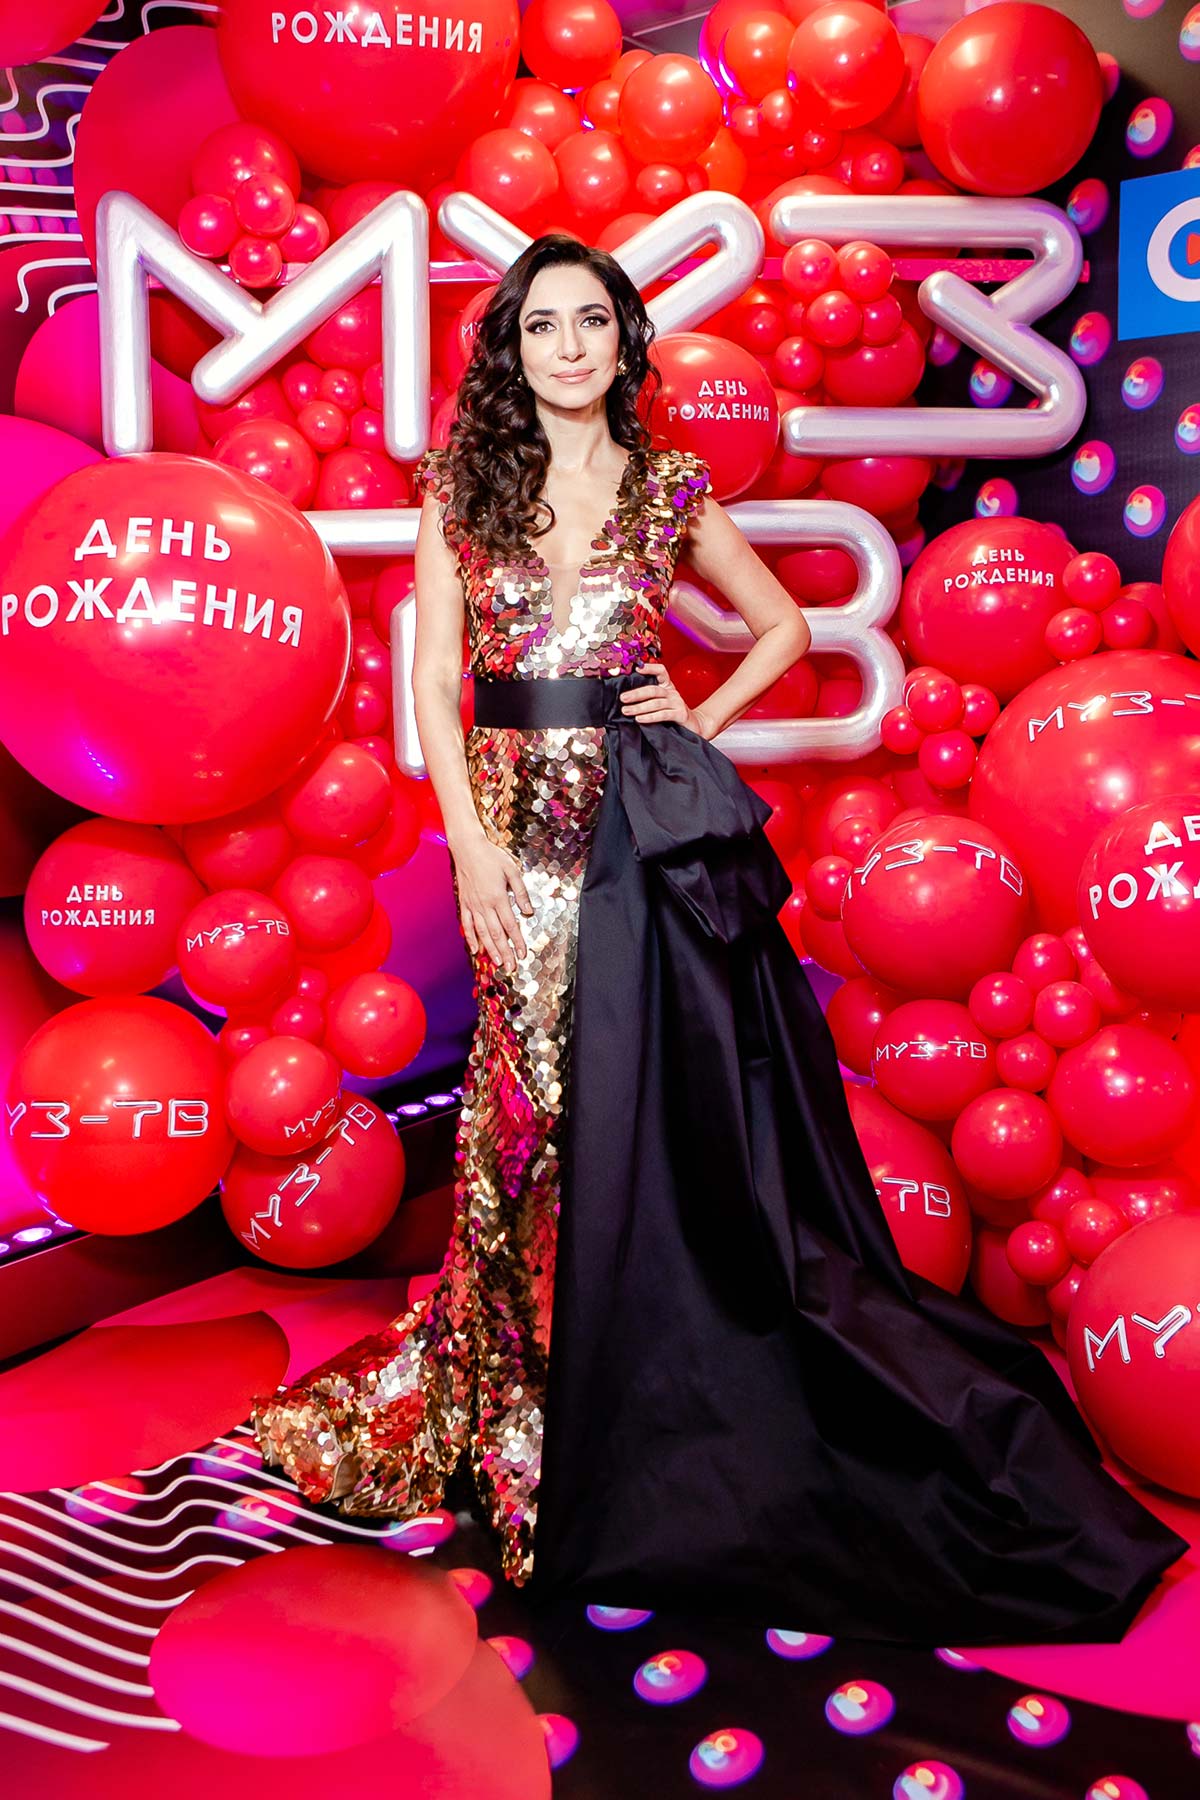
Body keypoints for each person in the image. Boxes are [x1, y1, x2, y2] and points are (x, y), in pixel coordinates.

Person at [251, 234, 1188, 1647]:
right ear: (511, 349)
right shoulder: (464, 488)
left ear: (625, 343)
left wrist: (700, 713)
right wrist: (475, 853)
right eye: (543, 326)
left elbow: (785, 623)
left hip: (634, 829)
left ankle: (637, 1387)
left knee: (638, 1106)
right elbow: (437, 689)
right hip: (513, 831)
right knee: (523, 1114)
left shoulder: (666, 486)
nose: (569, 347)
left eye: (592, 323)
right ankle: (519, 1396)